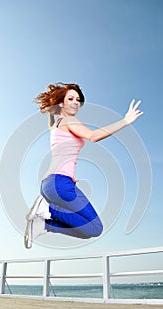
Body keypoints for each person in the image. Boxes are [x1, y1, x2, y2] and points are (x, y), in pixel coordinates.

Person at [24, 82, 143, 249]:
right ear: (62, 103)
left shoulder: (57, 124)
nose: (75, 103)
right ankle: (47, 210)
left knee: (90, 228)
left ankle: (45, 224)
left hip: (49, 185)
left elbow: (50, 127)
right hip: (60, 183)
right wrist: (125, 121)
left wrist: (50, 113)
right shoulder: (69, 120)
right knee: (95, 227)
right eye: (70, 99)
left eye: (78, 100)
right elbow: (93, 136)